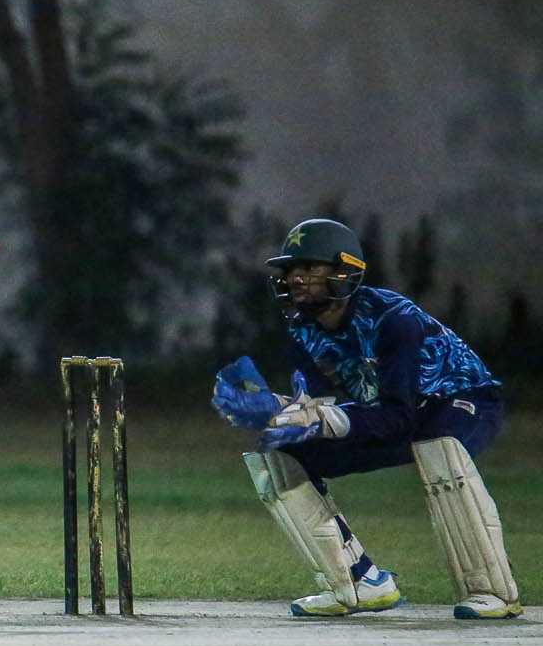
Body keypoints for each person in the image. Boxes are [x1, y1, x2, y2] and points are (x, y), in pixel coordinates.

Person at [211, 218, 520, 619]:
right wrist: (275, 410)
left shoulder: (394, 320)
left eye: (310, 268)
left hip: (462, 400)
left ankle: (494, 589)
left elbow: (397, 413)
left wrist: (319, 419)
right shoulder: (304, 328)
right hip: (396, 410)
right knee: (281, 456)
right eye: (291, 269)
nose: (297, 279)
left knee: (440, 448)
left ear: (344, 272)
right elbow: (322, 403)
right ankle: (359, 581)